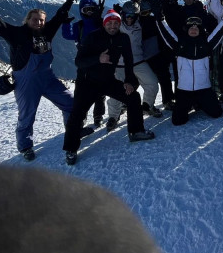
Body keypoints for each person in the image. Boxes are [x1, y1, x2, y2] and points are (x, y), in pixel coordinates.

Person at [0, 0, 79, 161]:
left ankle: (72, 131)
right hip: (26, 81)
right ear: (27, 20)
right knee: (27, 115)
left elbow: (60, 14)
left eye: (41, 20)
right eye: (35, 20)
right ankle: (25, 146)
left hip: (48, 77)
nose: (39, 23)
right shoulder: (16, 34)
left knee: (70, 104)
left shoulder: (47, 31)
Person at [63, 10, 155, 166]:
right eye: (110, 23)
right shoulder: (92, 37)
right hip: (87, 82)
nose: (113, 26)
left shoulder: (123, 38)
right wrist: (98, 58)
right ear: (105, 23)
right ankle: (71, 149)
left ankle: (136, 131)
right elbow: (79, 61)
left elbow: (129, 60)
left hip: (107, 80)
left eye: (116, 23)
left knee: (133, 96)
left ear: (120, 24)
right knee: (77, 112)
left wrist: (129, 82)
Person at [156, 12, 223, 126]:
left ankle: (199, 103)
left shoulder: (206, 44)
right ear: (187, 29)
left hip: (203, 88)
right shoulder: (179, 44)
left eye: (196, 27)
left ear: (200, 30)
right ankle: (193, 103)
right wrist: (160, 19)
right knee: (178, 121)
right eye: (191, 27)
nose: (194, 29)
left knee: (217, 113)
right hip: (184, 90)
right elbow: (166, 33)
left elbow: (218, 34)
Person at [106, 0, 162, 122]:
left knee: (152, 83)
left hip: (138, 61)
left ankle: (147, 106)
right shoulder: (117, 25)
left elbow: (148, 13)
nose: (130, 18)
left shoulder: (140, 24)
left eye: (133, 16)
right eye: (127, 15)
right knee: (116, 91)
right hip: (120, 64)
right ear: (123, 14)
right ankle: (113, 117)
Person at [62, 0, 107, 126]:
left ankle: (98, 115)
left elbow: (112, 30)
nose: (90, 12)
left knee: (100, 91)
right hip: (84, 62)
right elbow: (67, 35)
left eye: (92, 9)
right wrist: (65, 23)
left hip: (100, 60)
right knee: (81, 91)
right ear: (81, 11)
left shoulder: (101, 23)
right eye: (86, 9)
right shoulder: (79, 26)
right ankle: (82, 116)